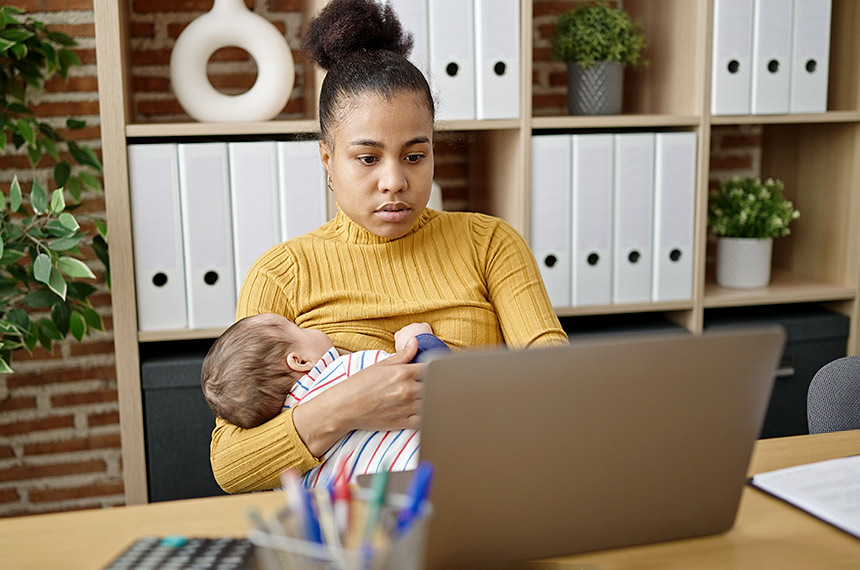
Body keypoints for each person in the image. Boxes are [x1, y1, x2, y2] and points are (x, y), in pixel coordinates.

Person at [210, 0, 568, 494]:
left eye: (415, 155)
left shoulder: (491, 244)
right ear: (327, 159)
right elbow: (231, 466)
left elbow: (561, 384)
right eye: (367, 158)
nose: (394, 181)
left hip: (486, 495)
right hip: (349, 530)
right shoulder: (281, 274)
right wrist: (350, 404)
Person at [201, 314, 448, 488]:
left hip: (359, 513)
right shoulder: (346, 370)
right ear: (299, 361)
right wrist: (419, 340)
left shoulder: (288, 471)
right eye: (299, 327)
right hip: (430, 476)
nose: (312, 329)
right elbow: (436, 381)